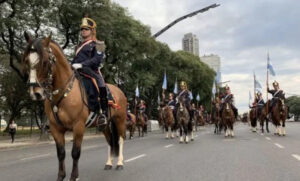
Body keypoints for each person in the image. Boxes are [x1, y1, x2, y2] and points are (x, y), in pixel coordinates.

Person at [71, 17, 107, 123]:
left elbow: (97, 60)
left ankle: (102, 113)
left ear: (92, 31)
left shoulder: (100, 44)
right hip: (77, 72)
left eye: (86, 29)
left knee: (99, 84)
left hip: (91, 72)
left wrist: (82, 65)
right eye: (82, 29)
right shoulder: (78, 46)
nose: (83, 31)